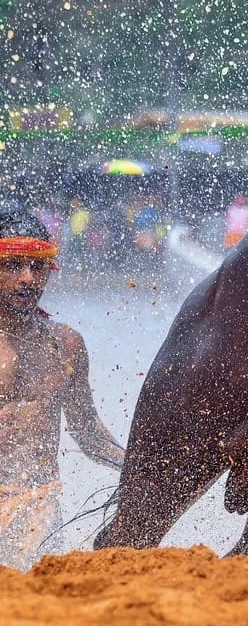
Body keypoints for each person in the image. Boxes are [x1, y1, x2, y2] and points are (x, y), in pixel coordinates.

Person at [0, 208, 125, 570]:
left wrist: (139, 468)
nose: (27, 278)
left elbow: (88, 434)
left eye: (37, 267)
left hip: (39, 506)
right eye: (13, 266)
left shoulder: (64, 345)